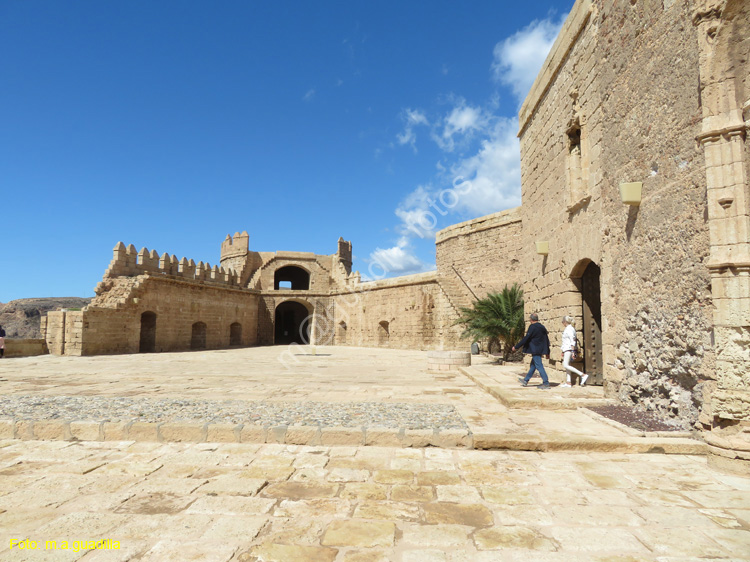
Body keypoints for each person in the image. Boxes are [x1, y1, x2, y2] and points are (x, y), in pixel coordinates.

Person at [512, 313, 551, 389]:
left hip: (535, 349)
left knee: (539, 366)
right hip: (540, 349)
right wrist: (547, 351)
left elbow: (526, 338)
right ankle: (526, 380)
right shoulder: (542, 327)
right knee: (533, 366)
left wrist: (516, 346)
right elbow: (546, 340)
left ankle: (546, 382)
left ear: (531, 319)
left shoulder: (532, 327)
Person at [559, 316, 588, 387]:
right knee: (567, 365)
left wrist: (573, 351)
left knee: (565, 365)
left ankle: (582, 375)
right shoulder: (569, 328)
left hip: (569, 349)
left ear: (565, 322)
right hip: (566, 349)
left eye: (563, 322)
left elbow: (572, 340)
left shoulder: (570, 329)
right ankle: (568, 382)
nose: (562, 323)